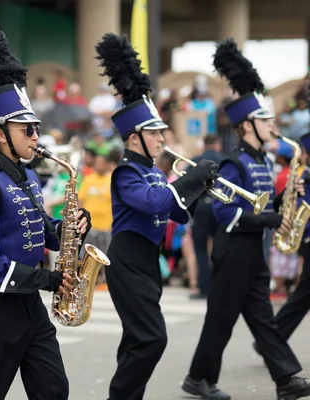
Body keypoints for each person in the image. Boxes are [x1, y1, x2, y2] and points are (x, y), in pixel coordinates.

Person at [0, 7, 92, 400]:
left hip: (30, 309)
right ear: (1, 134)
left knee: (54, 390)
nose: (36, 136)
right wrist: (47, 280)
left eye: (36, 128)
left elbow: (46, 233)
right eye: (26, 129)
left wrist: (73, 228)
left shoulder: (29, 176)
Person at [182, 38, 310, 400]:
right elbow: (226, 213)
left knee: (264, 319)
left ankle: (285, 380)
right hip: (233, 250)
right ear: (247, 126)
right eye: (265, 119)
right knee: (220, 321)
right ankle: (198, 379)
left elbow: (268, 204)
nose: (273, 124)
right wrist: (270, 220)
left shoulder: (262, 162)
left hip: (254, 252)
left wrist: (288, 197)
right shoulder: (233, 162)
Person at [94, 33, 219, 400]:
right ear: (134, 139)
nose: (163, 138)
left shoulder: (152, 170)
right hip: (128, 259)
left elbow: (176, 213)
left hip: (148, 260)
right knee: (152, 338)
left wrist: (199, 190)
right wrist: (188, 178)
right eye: (154, 132)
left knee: (136, 339)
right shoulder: (126, 173)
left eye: (162, 131)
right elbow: (153, 203)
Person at [252, 130, 310, 350]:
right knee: (303, 294)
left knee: (303, 295)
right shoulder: (304, 176)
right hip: (307, 236)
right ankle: (269, 341)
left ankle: (269, 340)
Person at [189, 135, 224, 299]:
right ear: (217, 144)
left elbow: (187, 187)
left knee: (200, 249)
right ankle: (220, 286)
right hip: (220, 206)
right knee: (220, 247)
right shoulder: (224, 160)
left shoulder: (195, 160)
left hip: (201, 206)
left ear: (204, 145)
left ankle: (204, 287)